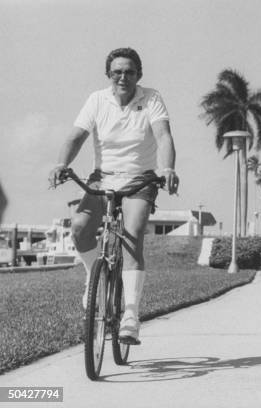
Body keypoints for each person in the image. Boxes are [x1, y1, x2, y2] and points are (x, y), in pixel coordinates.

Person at [48, 47, 179, 345]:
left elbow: (163, 136)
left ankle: (130, 315)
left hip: (140, 179)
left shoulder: (152, 99)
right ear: (108, 75)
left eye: (129, 71)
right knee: (80, 229)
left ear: (139, 75)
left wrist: (167, 168)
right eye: (117, 71)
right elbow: (76, 136)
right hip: (103, 178)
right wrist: (61, 164)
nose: (123, 76)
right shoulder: (97, 100)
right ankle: (97, 279)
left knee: (132, 236)